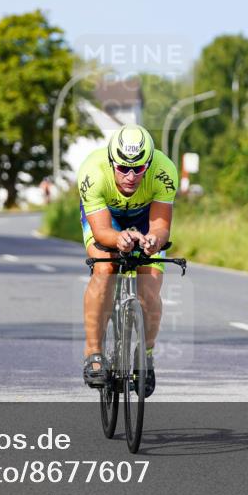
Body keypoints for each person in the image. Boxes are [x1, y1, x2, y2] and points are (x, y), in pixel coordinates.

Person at [77, 124, 178, 397]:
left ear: (149, 163)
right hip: (106, 219)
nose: (131, 176)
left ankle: (145, 354)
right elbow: (101, 232)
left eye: (138, 169)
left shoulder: (164, 170)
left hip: (145, 218)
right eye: (122, 168)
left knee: (150, 286)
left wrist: (153, 240)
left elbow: (160, 227)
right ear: (111, 161)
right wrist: (118, 239)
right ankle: (93, 352)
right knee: (105, 269)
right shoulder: (92, 172)